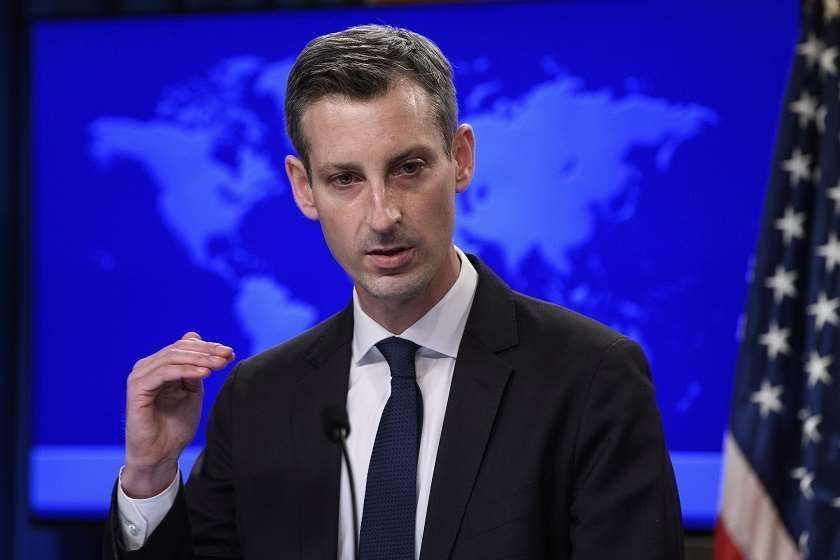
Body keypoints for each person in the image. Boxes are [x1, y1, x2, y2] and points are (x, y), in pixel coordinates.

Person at [103, 24, 684, 560]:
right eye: (345, 179)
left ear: (460, 159)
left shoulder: (590, 379)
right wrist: (150, 475)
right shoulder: (258, 399)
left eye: (408, 168)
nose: (382, 217)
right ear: (304, 189)